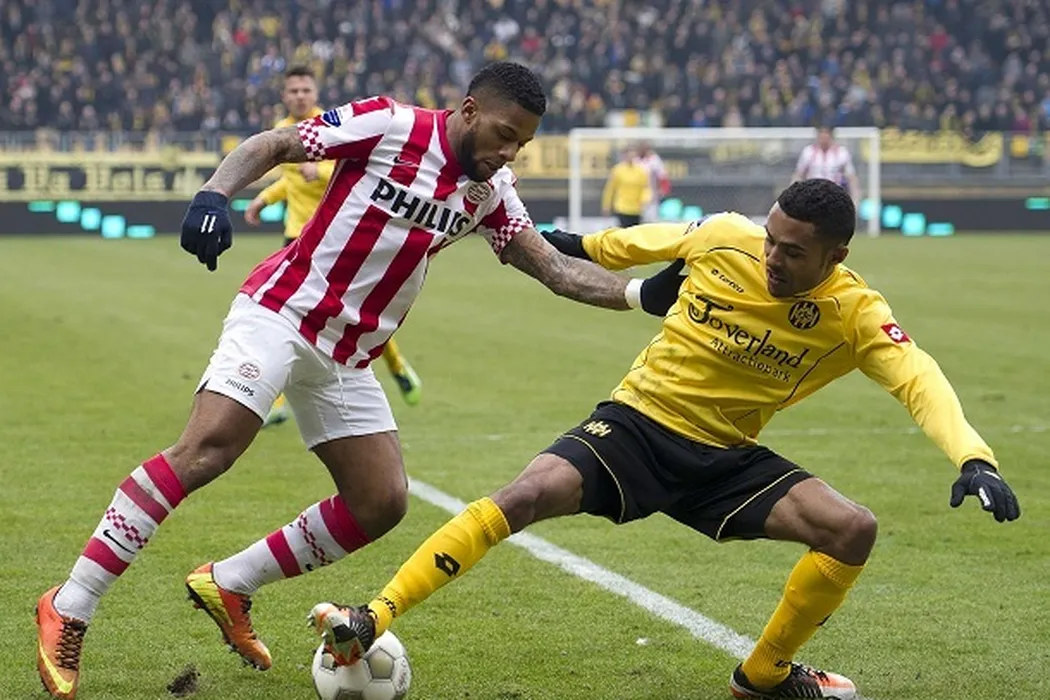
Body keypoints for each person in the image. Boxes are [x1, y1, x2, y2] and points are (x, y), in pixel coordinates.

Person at [34, 61, 683, 700]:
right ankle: (70, 604)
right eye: (504, 134)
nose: (509, 152)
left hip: (348, 354)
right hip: (282, 314)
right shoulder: (390, 125)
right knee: (209, 447)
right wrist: (213, 194)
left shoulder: (490, 192)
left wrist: (639, 294)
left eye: (523, 143)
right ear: (468, 111)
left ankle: (229, 582)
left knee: (380, 501)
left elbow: (553, 268)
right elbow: (275, 144)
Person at [307, 179, 1020, 700]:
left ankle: (764, 676)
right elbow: (621, 245)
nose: (772, 256)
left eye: (793, 252)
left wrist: (974, 457)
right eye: (770, 238)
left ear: (836, 254)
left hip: (727, 460)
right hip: (635, 427)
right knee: (524, 494)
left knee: (852, 529)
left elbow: (918, 379)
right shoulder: (725, 238)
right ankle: (371, 618)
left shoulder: (855, 313)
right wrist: (541, 239)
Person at [244, 66, 423, 425]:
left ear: (315, 93)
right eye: (293, 90)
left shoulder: (335, 126)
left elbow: (359, 171)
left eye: (305, 90)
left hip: (336, 237)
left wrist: (322, 171)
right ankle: (277, 400)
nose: (299, 96)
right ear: (284, 96)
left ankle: (397, 366)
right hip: (297, 236)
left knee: (350, 313)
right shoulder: (283, 132)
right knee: (285, 313)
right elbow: (290, 181)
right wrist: (264, 199)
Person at [792, 126, 860, 206]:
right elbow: (799, 174)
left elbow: (851, 177)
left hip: (834, 193)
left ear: (831, 137)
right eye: (821, 136)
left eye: (826, 136)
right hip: (813, 193)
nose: (824, 139)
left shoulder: (841, 152)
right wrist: (793, 194)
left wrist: (855, 198)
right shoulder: (809, 152)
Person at [600, 147, 652, 228]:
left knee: (635, 231)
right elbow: (610, 189)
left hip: (636, 208)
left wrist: (645, 198)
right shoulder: (618, 170)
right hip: (622, 207)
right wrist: (606, 205)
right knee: (624, 231)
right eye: (628, 155)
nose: (630, 157)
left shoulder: (641, 171)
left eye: (632, 155)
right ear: (624, 156)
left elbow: (646, 188)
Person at [636, 141, 671, 223]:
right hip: (635, 195)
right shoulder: (635, 160)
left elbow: (662, 176)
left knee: (651, 219)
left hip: (651, 194)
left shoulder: (654, 160)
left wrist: (663, 189)